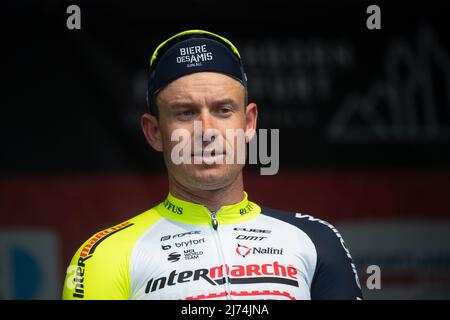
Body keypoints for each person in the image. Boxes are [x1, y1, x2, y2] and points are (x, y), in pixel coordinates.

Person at [62, 29, 362, 300]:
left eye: (223, 109)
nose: (206, 130)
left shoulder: (316, 241)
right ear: (154, 132)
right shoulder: (104, 255)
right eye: (184, 113)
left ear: (248, 122)